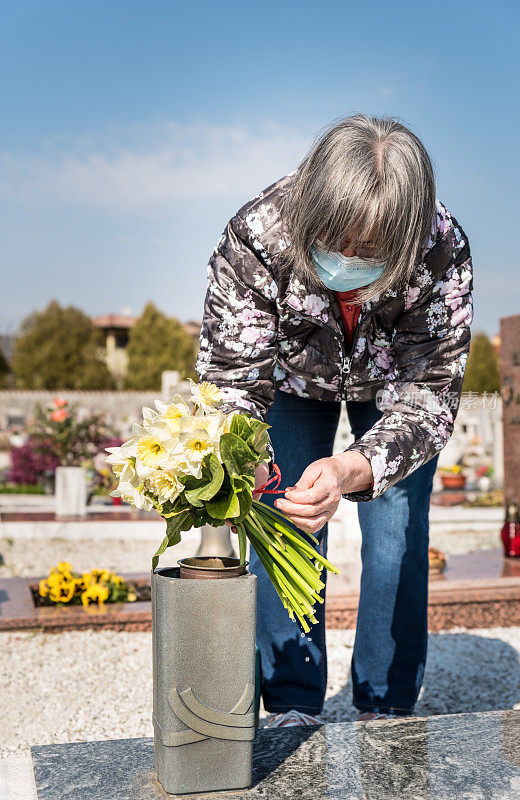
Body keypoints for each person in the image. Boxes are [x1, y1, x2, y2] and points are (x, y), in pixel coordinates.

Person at [195, 114, 473, 727]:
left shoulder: (442, 248)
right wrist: (246, 458)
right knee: (287, 523)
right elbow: (233, 377)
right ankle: (292, 700)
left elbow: (429, 395)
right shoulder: (257, 235)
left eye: (371, 251)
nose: (348, 259)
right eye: (336, 239)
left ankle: (387, 702)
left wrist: (353, 468)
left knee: (396, 533)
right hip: (293, 382)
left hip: (394, 386)